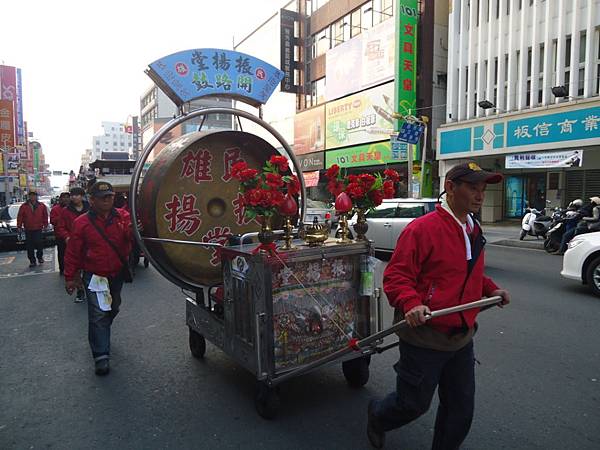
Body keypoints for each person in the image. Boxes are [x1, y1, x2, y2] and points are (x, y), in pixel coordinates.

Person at [367, 162, 510, 449]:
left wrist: (492, 289)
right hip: (424, 336)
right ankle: (377, 417)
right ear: (450, 188)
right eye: (472, 188)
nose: (480, 195)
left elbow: (469, 272)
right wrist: (411, 303)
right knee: (412, 405)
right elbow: (396, 277)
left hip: (461, 336)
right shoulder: (422, 229)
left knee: (460, 410)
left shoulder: (472, 228)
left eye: (482, 189)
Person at [64, 181, 132, 376]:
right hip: (95, 277)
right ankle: (101, 355)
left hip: (117, 273)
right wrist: (70, 277)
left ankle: (101, 330)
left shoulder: (123, 217)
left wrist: (136, 230)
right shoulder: (82, 223)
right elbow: (72, 253)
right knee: (98, 314)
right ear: (91, 200)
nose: (107, 200)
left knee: (114, 306)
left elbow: (131, 237)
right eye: (103, 197)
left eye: (110, 196)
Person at [56, 187, 89, 301]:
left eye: (77, 195)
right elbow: (61, 227)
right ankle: (80, 290)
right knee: (75, 269)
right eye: (73, 195)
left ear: (82, 196)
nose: (74, 197)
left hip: (89, 243)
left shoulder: (90, 208)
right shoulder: (66, 211)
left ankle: (92, 289)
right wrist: (66, 237)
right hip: (73, 244)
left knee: (91, 267)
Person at [17, 191, 49, 268]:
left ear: (36, 196)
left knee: (39, 243)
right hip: (28, 228)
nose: (32, 197)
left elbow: (45, 215)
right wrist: (19, 226)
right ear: (29, 196)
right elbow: (20, 216)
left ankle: (40, 257)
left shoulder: (41, 205)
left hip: (38, 228)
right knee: (29, 246)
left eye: (34, 195)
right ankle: (32, 261)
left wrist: (46, 225)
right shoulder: (24, 206)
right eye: (31, 195)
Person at [50, 192, 70, 274]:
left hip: (72, 235)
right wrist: (62, 216)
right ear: (60, 199)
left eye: (67, 197)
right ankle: (62, 268)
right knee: (62, 252)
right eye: (63, 197)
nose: (65, 199)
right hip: (60, 235)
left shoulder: (72, 208)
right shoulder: (55, 209)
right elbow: (52, 221)